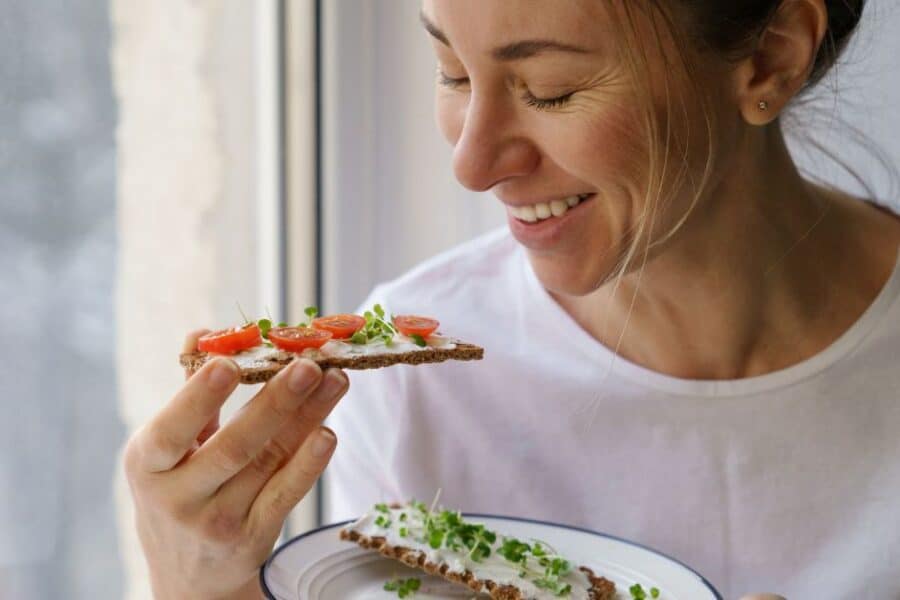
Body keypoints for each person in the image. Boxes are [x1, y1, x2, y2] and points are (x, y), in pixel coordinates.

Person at [123, 1, 900, 598]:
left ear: (770, 57)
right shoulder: (418, 395)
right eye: (453, 73)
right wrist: (208, 590)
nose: (472, 164)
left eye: (551, 91)